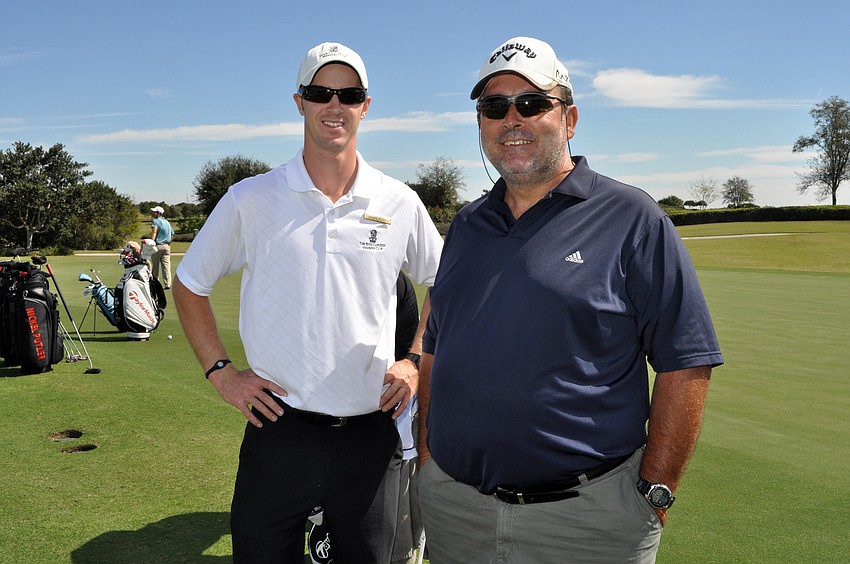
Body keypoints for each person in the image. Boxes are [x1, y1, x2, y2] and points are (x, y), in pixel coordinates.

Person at [417, 36, 724, 563]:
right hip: (457, 511)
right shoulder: (467, 225)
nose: (512, 119)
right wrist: (428, 457)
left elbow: (686, 360)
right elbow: (436, 348)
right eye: (494, 107)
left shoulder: (632, 217)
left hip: (588, 523)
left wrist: (655, 490)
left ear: (570, 118)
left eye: (532, 103)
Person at [172, 41, 442, 564]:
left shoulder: (399, 200)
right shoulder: (251, 198)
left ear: (366, 105)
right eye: (321, 93)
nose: (334, 105)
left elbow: (446, 282)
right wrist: (222, 373)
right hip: (278, 430)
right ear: (300, 102)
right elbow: (189, 284)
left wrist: (413, 360)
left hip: (370, 433)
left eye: (349, 95)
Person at [308, 272, 426, 564]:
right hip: (318, 427)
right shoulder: (316, 283)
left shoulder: (396, 284)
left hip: (387, 423)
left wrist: (413, 362)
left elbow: (411, 353)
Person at [147, 206, 173, 289]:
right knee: (166, 266)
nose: (153, 213)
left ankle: (155, 283)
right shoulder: (167, 222)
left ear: (158, 213)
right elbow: (172, 234)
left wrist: (151, 243)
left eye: (154, 212)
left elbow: (154, 232)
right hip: (166, 246)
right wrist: (169, 244)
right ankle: (168, 283)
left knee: (155, 266)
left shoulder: (155, 221)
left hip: (158, 246)